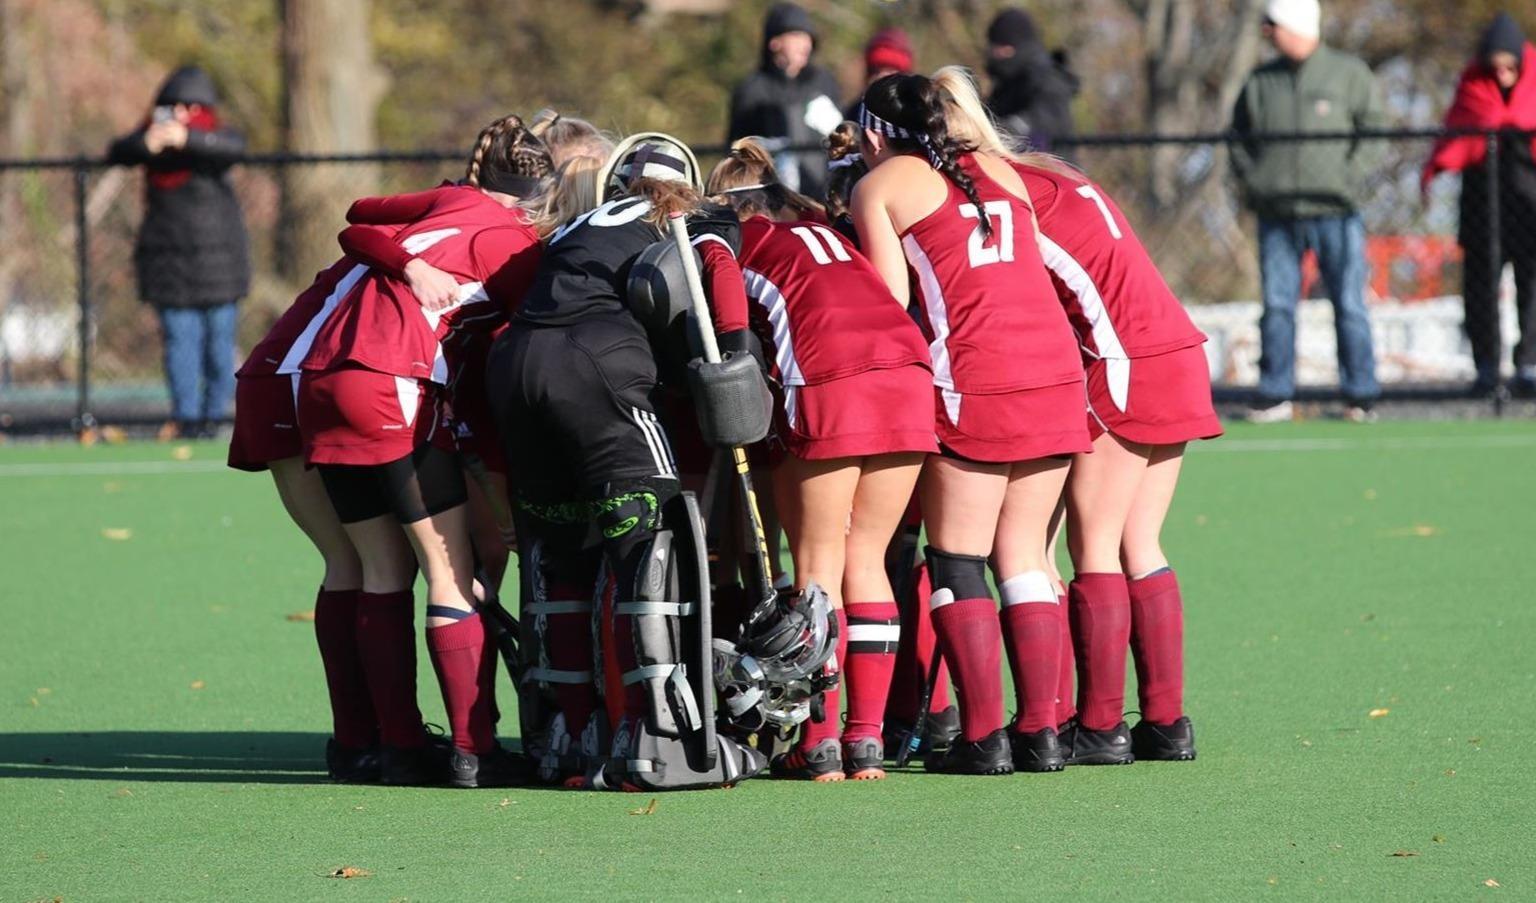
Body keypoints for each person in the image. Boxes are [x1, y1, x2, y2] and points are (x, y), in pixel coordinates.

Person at [486, 137, 771, 791]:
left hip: (518, 367)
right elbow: (721, 282)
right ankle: (655, 735)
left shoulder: (582, 224)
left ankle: (570, 735)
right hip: (599, 369)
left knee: (561, 550)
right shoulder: (693, 217)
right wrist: (735, 357)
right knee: (654, 540)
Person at [293, 116, 550, 789]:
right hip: (391, 381)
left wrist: (407, 260)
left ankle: (398, 747)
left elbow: (355, 222)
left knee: (381, 565)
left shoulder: (448, 201)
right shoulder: (519, 243)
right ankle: (475, 748)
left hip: (321, 381)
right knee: (446, 567)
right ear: (539, 199)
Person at [852, 68, 1091, 775]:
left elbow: (891, 301)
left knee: (957, 558)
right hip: (1054, 369)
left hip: (978, 373)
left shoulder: (879, 186)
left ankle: (984, 737)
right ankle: (1043, 730)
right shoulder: (997, 168)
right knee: (1023, 555)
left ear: (871, 134)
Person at [708, 139, 936, 781]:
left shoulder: (729, 240)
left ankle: (821, 740)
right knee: (868, 561)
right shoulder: (820, 231)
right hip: (911, 372)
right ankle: (866, 740)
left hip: (834, 380)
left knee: (817, 570)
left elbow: (726, 335)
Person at [1006, 155, 1221, 764]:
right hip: (1176, 345)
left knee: (1094, 545)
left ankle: (1100, 727)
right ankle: (1166, 723)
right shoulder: (1056, 174)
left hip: (1123, 357)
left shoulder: (1004, 192)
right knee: (1141, 542)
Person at [1230, 0, 1384, 422]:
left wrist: (1347, 178)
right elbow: (1237, 139)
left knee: (1349, 302)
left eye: (1273, 25)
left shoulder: (1348, 73)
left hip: (1337, 210)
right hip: (1277, 212)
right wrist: (1255, 179)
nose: (1267, 33)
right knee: (1278, 304)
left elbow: (1374, 131)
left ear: (1295, 26)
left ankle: (1360, 394)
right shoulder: (1261, 81)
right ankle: (1275, 392)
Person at [108, 66, 249, 440]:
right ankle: (187, 421)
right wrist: (148, 144)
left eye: (190, 106)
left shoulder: (216, 139)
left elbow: (234, 149)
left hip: (220, 265)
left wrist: (188, 139)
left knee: (220, 348)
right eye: (173, 106)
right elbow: (118, 152)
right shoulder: (151, 140)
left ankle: (215, 420)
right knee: (180, 346)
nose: (181, 113)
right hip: (168, 265)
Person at [1423, 12, 1536, 399]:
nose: (1502, 74)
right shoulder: (1472, 86)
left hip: (1529, 209)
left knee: (1532, 286)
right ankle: (1487, 366)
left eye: (1510, 66)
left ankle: (1530, 364)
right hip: (1482, 208)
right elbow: (1456, 134)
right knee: (1480, 289)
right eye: (1496, 66)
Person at [727, 2, 843, 198]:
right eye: (796, 36)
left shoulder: (823, 82)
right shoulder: (753, 88)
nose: (805, 44)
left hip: (823, 196)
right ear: (775, 42)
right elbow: (736, 149)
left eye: (808, 38)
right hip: (772, 199)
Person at [984, 8, 1079, 157]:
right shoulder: (1006, 85)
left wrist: (1005, 130)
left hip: (1053, 170)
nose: (994, 53)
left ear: (1014, 46)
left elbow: (1045, 125)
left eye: (1000, 47)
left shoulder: (1048, 78)